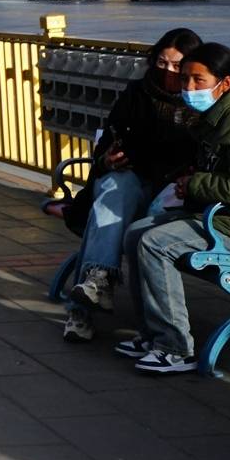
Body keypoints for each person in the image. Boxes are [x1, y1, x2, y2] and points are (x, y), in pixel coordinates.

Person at [117, 42, 230, 375]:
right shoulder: (219, 115)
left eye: (198, 80)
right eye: (185, 79)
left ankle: (175, 348)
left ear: (225, 83)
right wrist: (193, 181)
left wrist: (195, 184)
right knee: (136, 233)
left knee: (155, 243)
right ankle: (152, 335)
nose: (189, 88)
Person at [58, 28, 202, 342]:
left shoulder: (198, 99)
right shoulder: (138, 92)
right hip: (133, 182)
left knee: (106, 216)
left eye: (177, 66)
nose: (168, 71)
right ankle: (98, 282)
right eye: (162, 63)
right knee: (114, 190)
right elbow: (106, 143)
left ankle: (84, 303)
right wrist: (107, 160)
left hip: (173, 192)